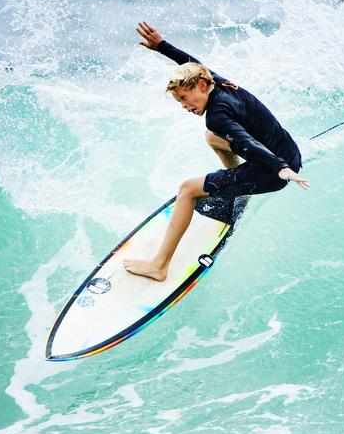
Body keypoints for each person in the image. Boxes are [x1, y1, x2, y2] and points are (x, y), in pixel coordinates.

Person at [123, 21, 309, 281]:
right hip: (290, 153)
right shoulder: (218, 83)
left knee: (187, 189)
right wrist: (161, 46)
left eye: (184, 99)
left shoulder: (217, 116)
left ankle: (159, 266)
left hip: (272, 170)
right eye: (179, 102)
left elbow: (246, 142)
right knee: (212, 138)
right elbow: (192, 62)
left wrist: (281, 168)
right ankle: (238, 186)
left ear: (200, 86)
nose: (184, 107)